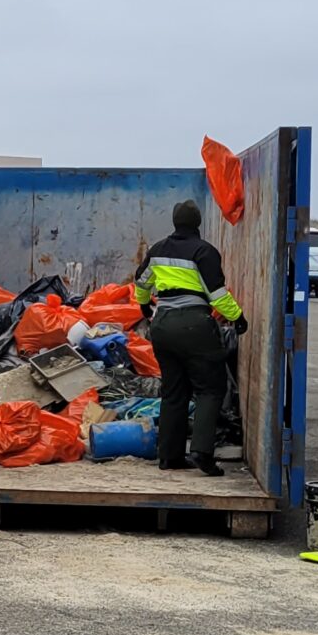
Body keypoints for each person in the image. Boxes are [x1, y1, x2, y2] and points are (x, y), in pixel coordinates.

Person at [131, 199, 240, 476]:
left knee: (173, 392)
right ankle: (202, 452)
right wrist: (238, 317)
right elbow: (217, 294)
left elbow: (141, 282)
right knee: (210, 388)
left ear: (174, 221)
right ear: (197, 223)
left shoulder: (158, 250)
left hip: (163, 325)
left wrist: (145, 305)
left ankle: (169, 457)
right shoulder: (204, 251)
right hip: (194, 324)